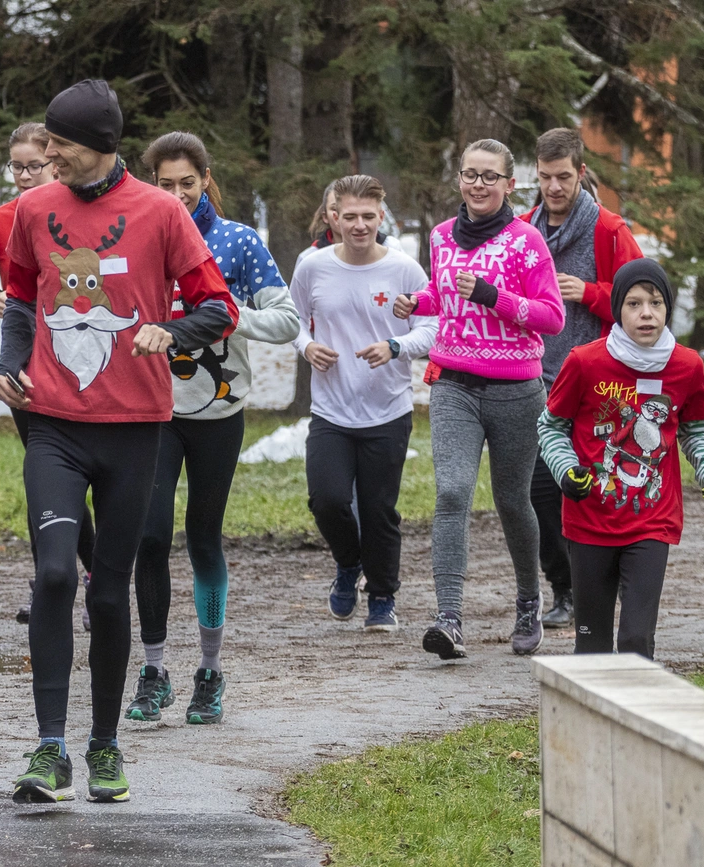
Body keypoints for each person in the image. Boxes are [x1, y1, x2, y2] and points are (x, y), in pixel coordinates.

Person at [0, 80, 238, 804]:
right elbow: (16, 302)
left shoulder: (162, 212)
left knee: (108, 592)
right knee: (56, 575)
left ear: (94, 142)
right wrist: (11, 366)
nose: (47, 155)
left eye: (58, 145)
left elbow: (218, 307)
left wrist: (175, 329)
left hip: (137, 433)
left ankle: (104, 745)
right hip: (56, 428)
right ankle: (48, 749)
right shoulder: (32, 210)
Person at [124, 131, 298, 727]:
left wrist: (224, 314)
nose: (176, 195)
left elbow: (285, 320)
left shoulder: (237, 242)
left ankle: (209, 671)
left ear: (205, 180)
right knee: (149, 536)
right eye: (164, 184)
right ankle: (153, 671)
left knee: (202, 537)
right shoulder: (137, 237)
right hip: (151, 410)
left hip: (217, 412)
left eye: (187, 183)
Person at [394, 138, 564, 660]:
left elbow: (552, 316)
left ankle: (529, 602)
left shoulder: (526, 240)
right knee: (451, 494)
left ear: (510, 185)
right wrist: (416, 301)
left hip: (517, 390)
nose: (478, 185)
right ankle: (449, 618)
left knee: (514, 500)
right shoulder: (442, 236)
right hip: (453, 386)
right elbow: (446, 296)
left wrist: (494, 296)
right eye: (470, 175)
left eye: (490, 176)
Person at [538, 259, 704, 658]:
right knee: (592, 646)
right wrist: (566, 470)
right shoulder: (585, 362)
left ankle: (637, 718)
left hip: (651, 521)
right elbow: (552, 427)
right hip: (589, 518)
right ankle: (591, 721)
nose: (646, 313)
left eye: (656, 303)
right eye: (635, 304)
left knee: (635, 643)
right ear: (617, 310)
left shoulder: (687, 366)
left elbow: (696, 432)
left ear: (668, 310)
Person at [0, 121, 95, 627]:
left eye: (33, 166)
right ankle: (51, 583)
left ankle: (94, 575)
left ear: (55, 163)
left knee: (84, 482)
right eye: (15, 167)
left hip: (81, 357)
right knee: (45, 480)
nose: (23, 176)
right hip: (26, 363)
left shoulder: (80, 213)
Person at [292, 175, 437, 632]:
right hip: (331, 410)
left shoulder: (403, 269)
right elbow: (291, 320)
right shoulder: (312, 267)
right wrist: (306, 346)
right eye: (349, 216)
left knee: (379, 510)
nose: (359, 226)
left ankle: (381, 598)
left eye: (368, 217)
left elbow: (433, 327)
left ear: (382, 216)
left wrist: (395, 346)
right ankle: (349, 564)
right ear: (333, 216)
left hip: (388, 409)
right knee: (327, 500)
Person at [519, 127, 643, 630]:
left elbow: (642, 303)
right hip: (533, 377)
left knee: (588, 488)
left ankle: (601, 584)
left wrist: (591, 293)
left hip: (596, 383)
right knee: (540, 491)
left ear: (582, 173)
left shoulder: (609, 229)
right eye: (545, 177)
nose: (553, 187)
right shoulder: (524, 229)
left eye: (563, 177)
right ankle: (564, 588)